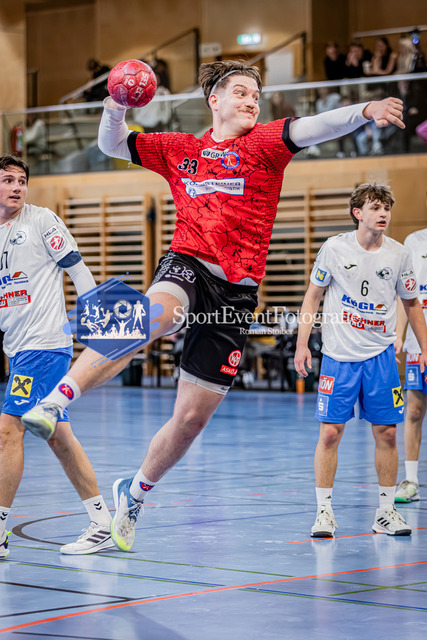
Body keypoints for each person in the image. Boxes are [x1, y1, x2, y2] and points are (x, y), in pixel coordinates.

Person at [22, 60, 407, 552]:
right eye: (241, 92)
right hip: (187, 264)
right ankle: (57, 401)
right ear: (215, 100)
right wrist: (115, 106)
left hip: (236, 295)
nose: (252, 101)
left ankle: (133, 496)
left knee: (190, 422)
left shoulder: (265, 144)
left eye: (256, 96)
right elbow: (112, 145)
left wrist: (365, 109)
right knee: (151, 317)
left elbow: (317, 126)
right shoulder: (180, 149)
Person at [294, 183, 427, 538]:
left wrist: (425, 347)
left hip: (381, 357)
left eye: (387, 208)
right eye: (375, 208)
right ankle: (324, 512)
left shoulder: (399, 254)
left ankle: (385, 513)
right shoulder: (334, 248)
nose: (383, 214)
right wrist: (302, 344)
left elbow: (412, 304)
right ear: (358, 213)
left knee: (387, 432)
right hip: (339, 357)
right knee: (329, 434)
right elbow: (313, 297)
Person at [0, 155, 114, 559]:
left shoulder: (41, 220)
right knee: (58, 435)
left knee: (8, 430)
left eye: (21, 180)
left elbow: (78, 270)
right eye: (8, 180)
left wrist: (95, 316)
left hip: (45, 344)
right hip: (18, 348)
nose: (17, 186)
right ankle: (102, 523)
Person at [394, 221, 427, 502]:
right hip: (419, 343)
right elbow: (406, 296)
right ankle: (411, 481)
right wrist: (398, 334)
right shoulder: (413, 242)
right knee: (414, 411)